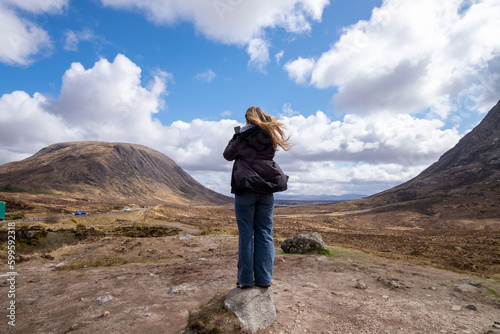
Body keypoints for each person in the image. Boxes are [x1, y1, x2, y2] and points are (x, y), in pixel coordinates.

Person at [223, 106, 290, 288]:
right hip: (267, 189)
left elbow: (228, 155)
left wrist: (237, 135)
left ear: (247, 120)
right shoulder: (270, 135)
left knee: (246, 234)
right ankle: (264, 279)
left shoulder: (242, 136)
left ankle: (245, 280)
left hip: (246, 188)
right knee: (265, 233)